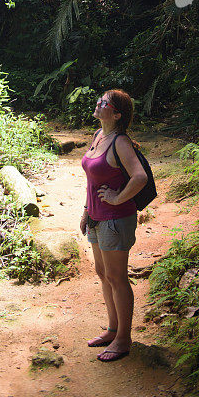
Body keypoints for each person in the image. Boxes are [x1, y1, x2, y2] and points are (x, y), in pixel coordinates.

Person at [80, 89, 148, 362]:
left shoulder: (120, 142)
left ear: (117, 114)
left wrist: (118, 198)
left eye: (104, 103)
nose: (99, 103)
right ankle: (112, 329)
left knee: (117, 278)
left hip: (115, 220)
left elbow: (139, 176)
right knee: (103, 273)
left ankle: (123, 339)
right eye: (100, 99)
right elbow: (92, 180)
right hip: (96, 218)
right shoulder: (99, 136)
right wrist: (86, 211)